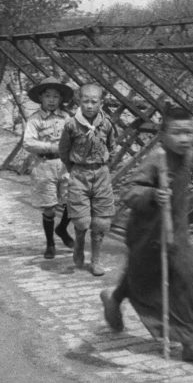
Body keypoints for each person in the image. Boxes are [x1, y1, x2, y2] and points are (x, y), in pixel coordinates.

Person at [99, 107, 193, 362]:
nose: (184, 139)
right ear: (162, 135)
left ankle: (189, 342)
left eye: (189, 133)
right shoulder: (157, 159)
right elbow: (130, 193)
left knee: (185, 280)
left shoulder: (189, 156)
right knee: (147, 280)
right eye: (177, 133)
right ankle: (116, 299)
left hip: (176, 230)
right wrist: (152, 195)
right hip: (147, 232)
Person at [58, 83, 117, 276]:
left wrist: (104, 168)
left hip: (100, 174)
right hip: (79, 174)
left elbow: (112, 147)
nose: (89, 106)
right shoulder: (71, 125)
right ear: (79, 101)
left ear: (101, 103)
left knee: (100, 224)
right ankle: (78, 249)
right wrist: (73, 169)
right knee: (82, 222)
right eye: (85, 101)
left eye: (94, 101)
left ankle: (96, 261)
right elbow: (64, 151)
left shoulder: (106, 124)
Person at [22, 77, 75, 259]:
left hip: (65, 165)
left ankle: (62, 229)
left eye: (56, 96)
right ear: (41, 98)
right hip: (44, 165)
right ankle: (50, 243)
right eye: (48, 96)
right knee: (50, 207)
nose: (52, 100)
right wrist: (51, 147)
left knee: (73, 200)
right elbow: (28, 142)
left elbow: (74, 136)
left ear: (60, 99)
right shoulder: (35, 119)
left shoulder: (67, 117)